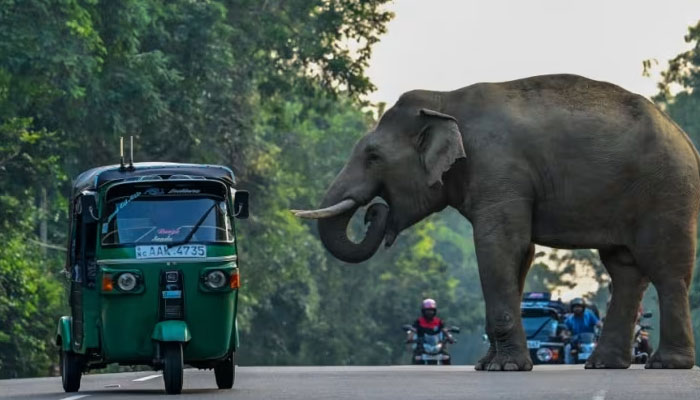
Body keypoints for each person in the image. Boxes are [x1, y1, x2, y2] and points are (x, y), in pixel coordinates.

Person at [563, 297, 602, 364]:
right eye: (575, 307)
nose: (577, 308)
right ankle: (568, 365)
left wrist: (602, 329)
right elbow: (565, 331)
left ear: (583, 308)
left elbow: (598, 323)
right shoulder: (569, 319)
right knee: (568, 348)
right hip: (576, 343)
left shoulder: (589, 314)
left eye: (579, 307)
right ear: (572, 308)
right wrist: (565, 336)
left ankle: (601, 363)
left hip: (590, 341)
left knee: (601, 347)